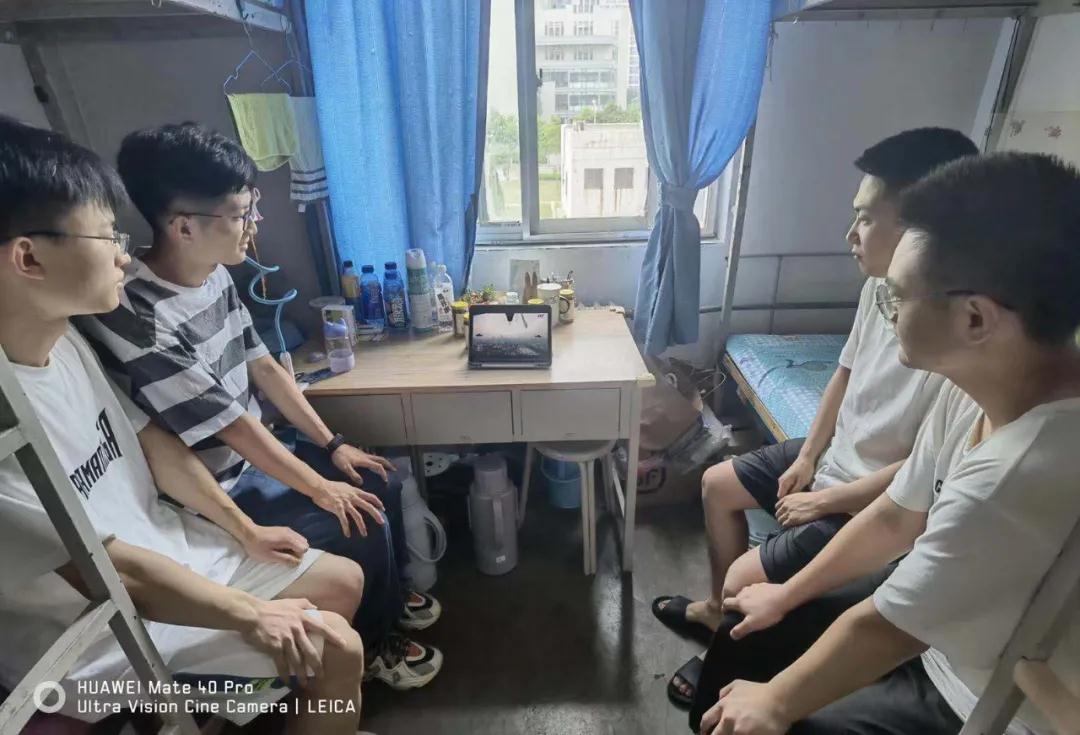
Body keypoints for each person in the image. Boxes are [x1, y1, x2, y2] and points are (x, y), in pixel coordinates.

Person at [0, 115, 366, 732]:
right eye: (105, 236)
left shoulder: (68, 344)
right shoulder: (16, 413)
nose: (123, 254)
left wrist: (246, 530)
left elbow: (152, 444)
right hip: (91, 636)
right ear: (29, 257)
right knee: (337, 647)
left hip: (168, 549)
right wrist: (250, 613)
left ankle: (286, 710)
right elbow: (107, 570)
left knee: (342, 579)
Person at [695, 151, 1080, 735]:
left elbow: (889, 630)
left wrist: (775, 702)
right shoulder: (975, 391)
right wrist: (786, 595)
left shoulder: (1020, 471)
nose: (887, 311)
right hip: (936, 631)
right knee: (747, 627)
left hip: (980, 694)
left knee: (768, 716)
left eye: (896, 298)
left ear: (975, 320)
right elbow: (896, 516)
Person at [76, 122, 441, 690]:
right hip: (219, 487)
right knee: (357, 518)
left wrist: (333, 445)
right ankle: (373, 646)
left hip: (257, 455)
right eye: (243, 213)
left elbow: (264, 366)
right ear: (184, 227)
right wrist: (320, 488)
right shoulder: (138, 314)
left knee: (378, 479)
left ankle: (387, 596)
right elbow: (234, 427)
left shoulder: (216, 275)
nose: (256, 223)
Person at [653, 128, 978, 705]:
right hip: (834, 459)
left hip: (868, 494)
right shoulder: (877, 291)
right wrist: (807, 455)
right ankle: (717, 614)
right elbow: (845, 372)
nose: (850, 234)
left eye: (866, 219)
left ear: (919, 231)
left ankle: (727, 648)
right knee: (716, 484)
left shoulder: (952, 341)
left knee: (745, 577)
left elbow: (921, 475)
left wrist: (825, 501)